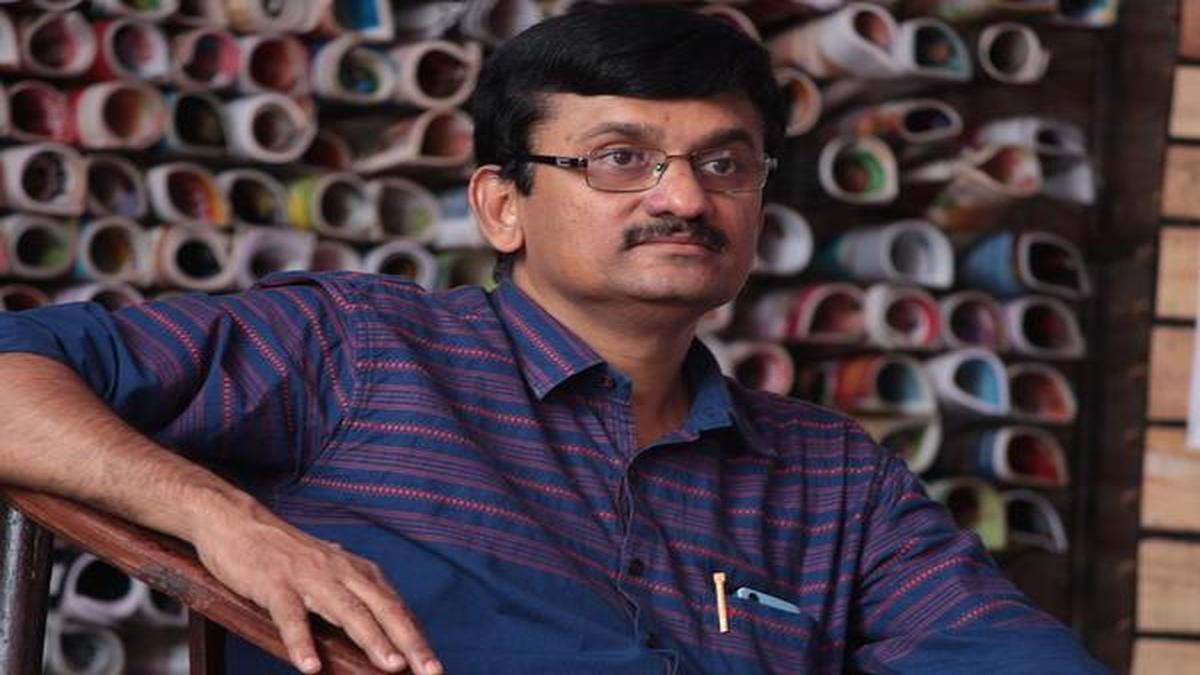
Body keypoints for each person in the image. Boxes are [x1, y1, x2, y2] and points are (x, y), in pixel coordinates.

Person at [0, 5, 1106, 674]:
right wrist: (226, 522)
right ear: (502, 206)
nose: (684, 196)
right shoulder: (358, 350)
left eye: (724, 162)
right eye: (620, 159)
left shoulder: (831, 479)